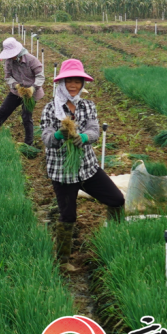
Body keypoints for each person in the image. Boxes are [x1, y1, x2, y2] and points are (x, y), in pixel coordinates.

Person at [40, 59, 125, 271]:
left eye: (78, 81)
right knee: (68, 215)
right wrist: (59, 135)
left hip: (87, 168)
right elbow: (46, 137)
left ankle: (114, 237)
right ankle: (63, 260)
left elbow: (95, 130)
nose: (73, 85)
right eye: (69, 80)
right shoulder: (51, 109)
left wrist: (85, 137)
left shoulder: (88, 106)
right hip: (63, 172)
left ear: (82, 84)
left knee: (116, 199)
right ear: (62, 82)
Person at [0, 37, 44, 142]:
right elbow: (8, 76)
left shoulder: (31, 60)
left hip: (31, 93)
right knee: (3, 110)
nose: (10, 56)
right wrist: (16, 85)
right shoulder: (9, 62)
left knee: (26, 117)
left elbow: (40, 76)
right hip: (17, 91)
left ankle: (28, 143)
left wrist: (33, 88)